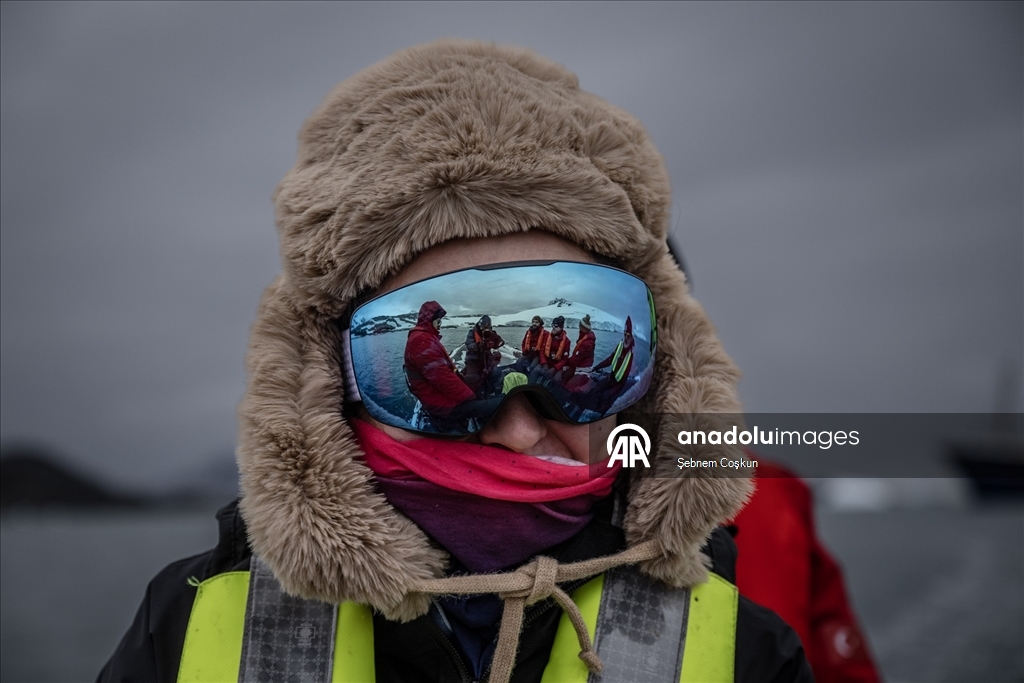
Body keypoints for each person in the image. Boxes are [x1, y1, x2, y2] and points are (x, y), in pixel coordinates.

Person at [98, 40, 813, 683]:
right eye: (417, 388)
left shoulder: (745, 654)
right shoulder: (186, 633)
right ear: (326, 383)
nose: (517, 430)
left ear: (661, 378)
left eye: (573, 377)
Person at [462, 314, 505, 397]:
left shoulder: (492, 333)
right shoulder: (472, 332)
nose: (484, 329)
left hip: (486, 357)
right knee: (473, 377)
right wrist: (478, 346)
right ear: (479, 325)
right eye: (483, 327)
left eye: (487, 327)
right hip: (473, 359)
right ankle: (471, 394)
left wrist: (496, 340)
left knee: (494, 372)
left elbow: (500, 343)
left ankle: (491, 390)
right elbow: (469, 344)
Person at [555, 314, 596, 385]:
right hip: (578, 364)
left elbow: (577, 358)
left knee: (568, 385)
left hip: (583, 368)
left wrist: (566, 362)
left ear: (582, 327)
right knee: (564, 375)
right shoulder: (584, 336)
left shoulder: (587, 343)